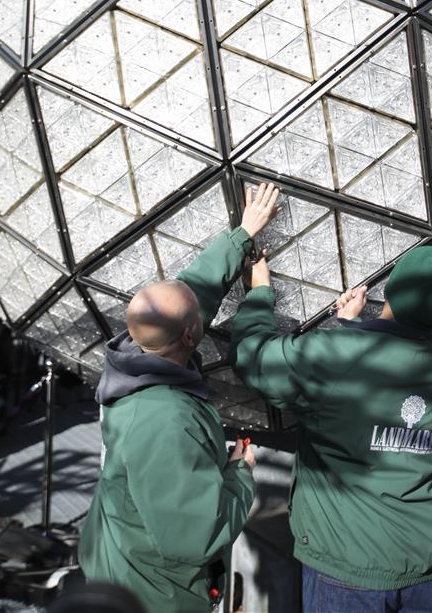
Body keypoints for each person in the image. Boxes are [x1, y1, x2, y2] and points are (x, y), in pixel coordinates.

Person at [78, 182, 280, 613]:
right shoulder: (165, 422)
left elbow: (191, 293)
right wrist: (239, 474)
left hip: (122, 556)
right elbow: (194, 535)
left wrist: (241, 234)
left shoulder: (133, 355)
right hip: (152, 593)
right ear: (191, 335)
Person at [231, 242, 432, 613]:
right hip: (425, 569)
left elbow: (254, 357)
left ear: (390, 291)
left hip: (349, 571)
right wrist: (353, 329)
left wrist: (259, 290)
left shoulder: (336, 355)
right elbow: (380, 381)